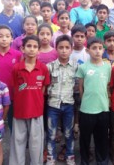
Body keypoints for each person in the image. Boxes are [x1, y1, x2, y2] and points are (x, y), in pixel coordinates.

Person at [9, 36, 50, 165]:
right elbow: (15, 88)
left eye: (35, 47)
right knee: (18, 141)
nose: (31, 49)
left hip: (37, 111)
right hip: (20, 111)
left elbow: (43, 88)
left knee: (36, 143)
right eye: (29, 46)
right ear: (23, 48)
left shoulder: (43, 68)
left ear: (39, 50)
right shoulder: (16, 68)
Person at [76, 37, 111, 165]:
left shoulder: (108, 67)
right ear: (87, 50)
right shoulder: (83, 67)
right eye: (94, 48)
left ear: (103, 50)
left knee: (101, 138)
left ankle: (102, 161)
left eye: (100, 48)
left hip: (103, 109)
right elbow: (80, 88)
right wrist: (85, 101)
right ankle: (84, 161)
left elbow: (107, 86)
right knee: (85, 138)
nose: (97, 51)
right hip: (86, 109)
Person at [46, 35, 78, 165]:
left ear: (71, 49)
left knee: (69, 133)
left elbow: (77, 86)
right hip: (52, 105)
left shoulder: (76, 67)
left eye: (67, 48)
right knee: (51, 133)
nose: (64, 50)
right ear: (56, 49)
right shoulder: (50, 67)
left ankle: (70, 156)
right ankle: (50, 157)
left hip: (69, 105)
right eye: (61, 48)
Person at [0, 25, 22, 131]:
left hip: (13, 95)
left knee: (13, 124)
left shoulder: (18, 55)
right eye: (0, 36)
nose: (4, 39)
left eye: (7, 36)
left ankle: (15, 145)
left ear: (12, 38)